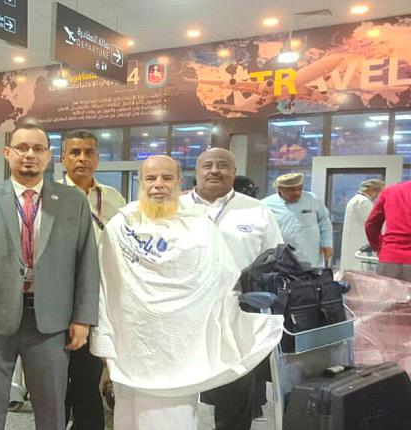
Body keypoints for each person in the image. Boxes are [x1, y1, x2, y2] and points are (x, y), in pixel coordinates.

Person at [91, 155, 282, 430]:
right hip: (130, 341)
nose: (158, 184)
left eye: (167, 178)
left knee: (171, 418)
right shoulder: (121, 225)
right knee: (127, 417)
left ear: (180, 182)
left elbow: (220, 280)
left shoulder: (200, 225)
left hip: (178, 345)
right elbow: (105, 283)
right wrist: (103, 336)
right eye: (150, 178)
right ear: (141, 183)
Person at [0, 123, 99, 429]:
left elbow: (87, 263)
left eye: (38, 148)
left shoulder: (73, 201)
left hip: (51, 323)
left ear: (49, 156)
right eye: (22, 147)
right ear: (7, 153)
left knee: (52, 410)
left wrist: (83, 319)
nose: (30, 154)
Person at [182, 148, 283, 430]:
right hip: (182, 312)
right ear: (197, 171)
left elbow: (274, 260)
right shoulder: (174, 208)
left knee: (236, 389)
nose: (215, 170)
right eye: (208, 165)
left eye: (223, 165)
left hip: (238, 312)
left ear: (234, 172)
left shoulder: (257, 211)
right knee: (180, 389)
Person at [59, 129, 126, 430]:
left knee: (88, 374)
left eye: (89, 152)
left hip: (101, 298)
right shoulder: (49, 196)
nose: (82, 158)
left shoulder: (113, 198)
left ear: (98, 158)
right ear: (63, 158)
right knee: (57, 378)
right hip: (61, 297)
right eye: (75, 152)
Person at [366, 156, 411, 347]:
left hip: (388, 261)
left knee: (390, 309)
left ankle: (389, 351)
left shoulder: (390, 190)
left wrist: (381, 248)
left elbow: (371, 224)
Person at [262, 173, 333, 267]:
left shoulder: (312, 199)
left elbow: (324, 221)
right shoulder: (266, 205)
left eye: (300, 189)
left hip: (310, 255)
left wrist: (327, 244)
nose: (297, 193)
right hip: (281, 259)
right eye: (292, 190)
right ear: (280, 189)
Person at [340, 179, 385, 271]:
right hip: (360, 243)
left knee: (352, 267)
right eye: (379, 192)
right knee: (359, 269)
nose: (378, 196)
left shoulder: (355, 200)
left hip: (355, 243)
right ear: (371, 190)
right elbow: (373, 222)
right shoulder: (364, 202)